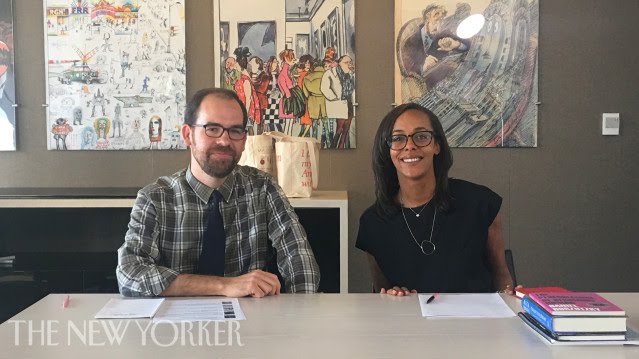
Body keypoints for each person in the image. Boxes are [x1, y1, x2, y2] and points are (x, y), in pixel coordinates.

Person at [117, 88, 320, 297]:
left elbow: (300, 261)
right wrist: (225, 286)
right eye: (212, 129)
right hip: (175, 326)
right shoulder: (155, 198)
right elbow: (130, 274)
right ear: (188, 135)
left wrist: (299, 318)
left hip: (251, 322)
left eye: (235, 130)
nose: (224, 141)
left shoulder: (263, 188)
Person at [356, 103, 515, 296]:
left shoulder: (480, 204)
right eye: (397, 139)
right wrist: (392, 295)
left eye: (421, 136)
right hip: (411, 325)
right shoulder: (373, 223)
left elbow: (501, 277)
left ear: (437, 145)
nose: (410, 146)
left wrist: (511, 302)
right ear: (387, 150)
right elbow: (382, 292)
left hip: (475, 324)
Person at [400, 4, 469, 88]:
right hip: (423, 87)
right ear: (427, 19)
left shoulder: (444, 34)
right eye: (436, 21)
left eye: (441, 21)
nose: (438, 27)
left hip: (445, 81)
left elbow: (467, 45)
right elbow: (406, 70)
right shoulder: (411, 42)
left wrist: (456, 44)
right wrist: (423, 67)